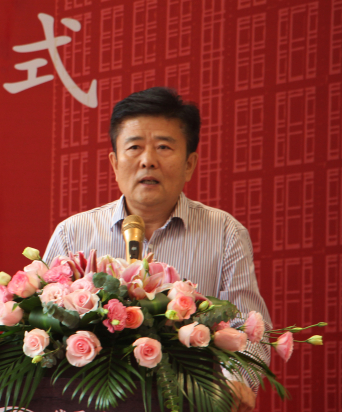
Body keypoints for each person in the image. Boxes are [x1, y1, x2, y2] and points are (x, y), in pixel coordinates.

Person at [44, 87, 271, 412]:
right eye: (134, 147)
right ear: (114, 163)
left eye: (163, 147)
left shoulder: (224, 233)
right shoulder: (73, 234)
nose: (148, 160)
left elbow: (249, 328)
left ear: (190, 164)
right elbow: (43, 327)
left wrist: (233, 382)